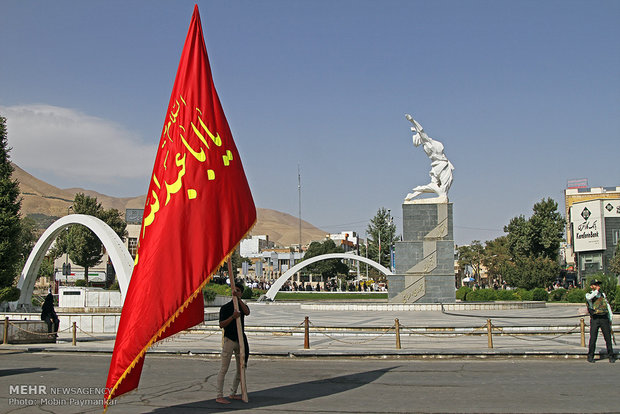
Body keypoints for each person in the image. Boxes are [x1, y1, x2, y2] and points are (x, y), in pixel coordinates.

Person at [404, 114, 455, 202]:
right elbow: (420, 132)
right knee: (439, 189)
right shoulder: (427, 144)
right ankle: (414, 193)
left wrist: (412, 121)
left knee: (442, 191)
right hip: (437, 166)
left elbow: (421, 131)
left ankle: (415, 193)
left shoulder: (428, 143)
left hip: (442, 165)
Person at [215, 281, 250, 404]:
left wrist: (239, 300)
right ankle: (219, 395)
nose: (235, 292)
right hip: (229, 339)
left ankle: (233, 393)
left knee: (241, 368)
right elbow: (221, 324)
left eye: (238, 291)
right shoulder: (225, 308)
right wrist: (233, 317)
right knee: (224, 368)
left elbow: (247, 312)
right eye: (234, 291)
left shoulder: (241, 306)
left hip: (240, 339)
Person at [585, 279, 615, 363]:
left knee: (608, 338)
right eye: (595, 284)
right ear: (591, 286)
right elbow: (589, 298)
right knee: (593, 338)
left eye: (598, 284)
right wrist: (596, 291)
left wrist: (610, 318)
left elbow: (607, 306)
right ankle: (590, 356)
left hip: (604, 318)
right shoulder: (589, 294)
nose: (598, 286)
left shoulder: (603, 295)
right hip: (595, 319)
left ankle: (611, 356)